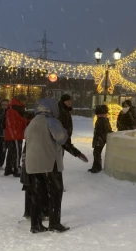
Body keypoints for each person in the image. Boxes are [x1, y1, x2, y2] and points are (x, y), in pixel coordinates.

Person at [24, 98, 88, 233]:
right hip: (49, 163)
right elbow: (63, 140)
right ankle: (54, 223)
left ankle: (36, 224)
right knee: (56, 192)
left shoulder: (33, 122)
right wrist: (77, 153)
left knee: (37, 193)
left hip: (33, 164)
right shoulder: (51, 121)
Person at [5, 95, 28, 177]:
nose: (25, 102)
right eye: (24, 100)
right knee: (17, 152)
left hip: (14, 134)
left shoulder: (13, 108)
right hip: (15, 134)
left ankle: (9, 168)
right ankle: (16, 169)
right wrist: (27, 122)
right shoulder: (15, 109)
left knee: (12, 152)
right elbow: (19, 120)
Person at [89, 104, 112, 173]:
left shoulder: (102, 120)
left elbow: (102, 130)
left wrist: (98, 137)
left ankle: (97, 167)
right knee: (96, 153)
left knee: (96, 153)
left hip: (100, 139)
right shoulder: (103, 119)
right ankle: (96, 166)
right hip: (101, 138)